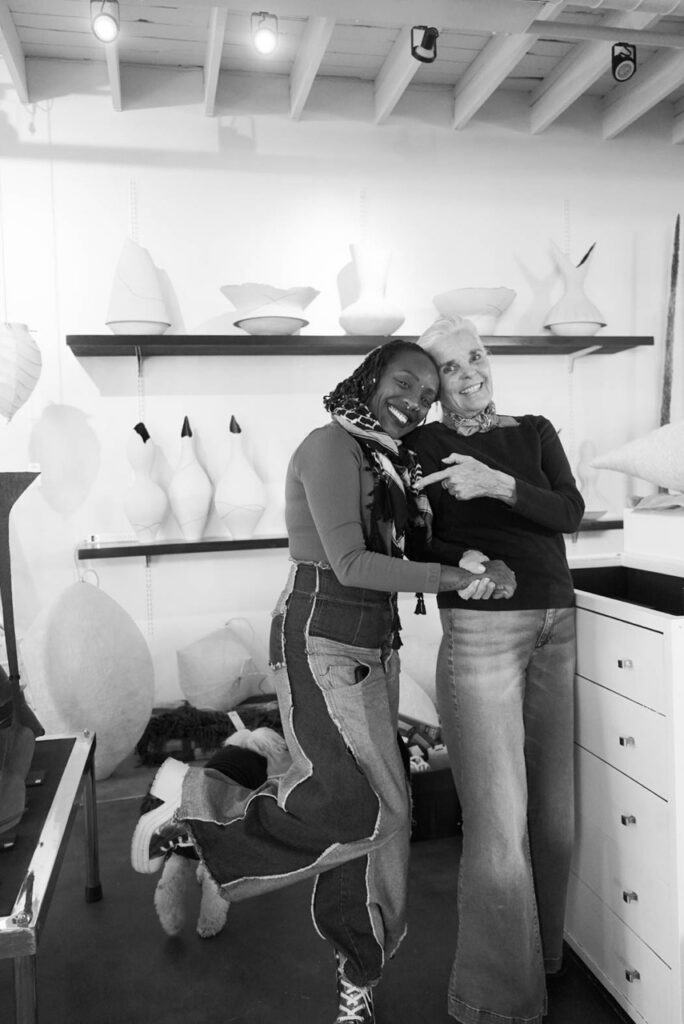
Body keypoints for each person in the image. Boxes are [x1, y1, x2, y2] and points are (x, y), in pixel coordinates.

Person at [130, 339, 514, 1024]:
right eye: (405, 383)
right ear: (369, 379)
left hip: (374, 645)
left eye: (427, 395)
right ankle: (198, 822)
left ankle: (359, 974)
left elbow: (406, 548)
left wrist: (467, 556)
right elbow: (353, 562)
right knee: (364, 808)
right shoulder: (330, 446)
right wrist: (457, 578)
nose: (416, 401)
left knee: (383, 820)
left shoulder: (386, 459)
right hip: (321, 640)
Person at [407, 315, 585, 1024]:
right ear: (436, 383)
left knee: (556, 818)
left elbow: (568, 512)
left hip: (557, 622)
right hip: (483, 629)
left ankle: (537, 962)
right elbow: (419, 532)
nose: (471, 372)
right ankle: (495, 1001)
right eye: (451, 366)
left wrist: (498, 484)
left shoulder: (535, 431)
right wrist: (461, 567)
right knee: (500, 823)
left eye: (475, 356)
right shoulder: (424, 444)